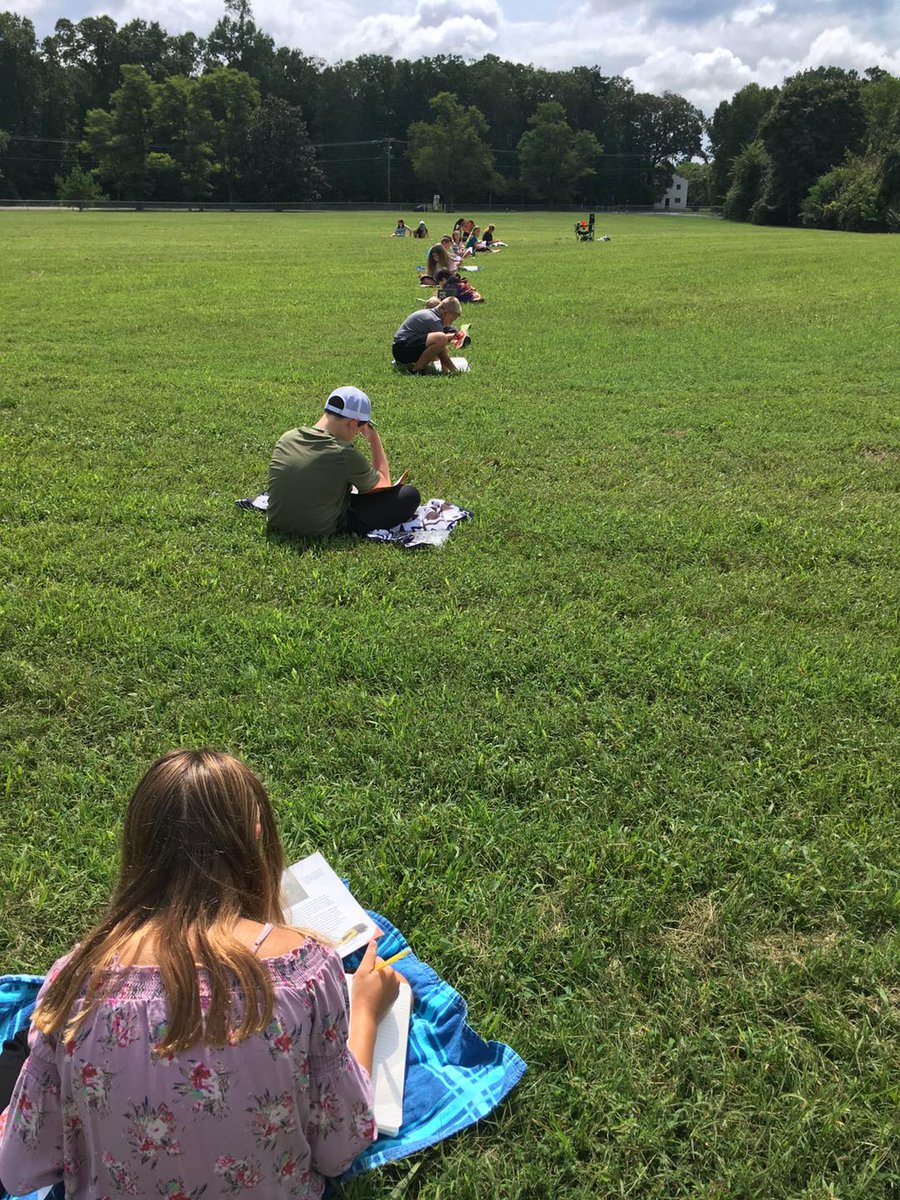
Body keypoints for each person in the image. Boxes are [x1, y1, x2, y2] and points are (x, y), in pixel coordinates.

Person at [0, 749, 404, 1200]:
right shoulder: (306, 973)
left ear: (137, 845)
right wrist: (365, 1010)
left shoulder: (76, 983)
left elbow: (20, 1168)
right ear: (257, 839)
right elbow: (341, 1144)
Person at [267, 386, 421, 537]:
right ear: (353, 423)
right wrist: (374, 438)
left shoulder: (287, 437)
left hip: (277, 523)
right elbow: (384, 485)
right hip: (321, 529)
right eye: (361, 428)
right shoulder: (342, 452)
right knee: (409, 495)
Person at [392, 297, 463, 374]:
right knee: (441, 338)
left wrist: (445, 370)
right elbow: (442, 348)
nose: (450, 324)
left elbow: (440, 348)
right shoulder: (434, 320)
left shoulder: (431, 314)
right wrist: (454, 370)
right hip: (402, 348)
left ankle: (409, 364)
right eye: (451, 320)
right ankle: (417, 370)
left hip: (401, 348)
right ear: (445, 313)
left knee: (438, 345)